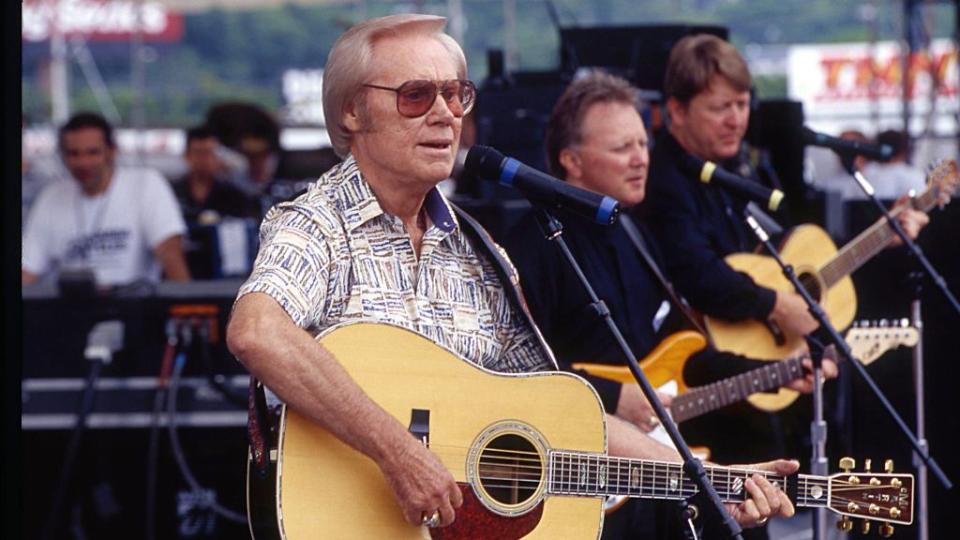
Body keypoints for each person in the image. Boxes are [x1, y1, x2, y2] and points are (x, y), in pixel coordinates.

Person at [226, 14, 796, 535]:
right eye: (416, 96)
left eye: (456, 95)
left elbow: (558, 416)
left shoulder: (479, 251)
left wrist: (705, 476)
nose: (445, 113)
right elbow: (258, 332)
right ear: (352, 111)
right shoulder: (317, 225)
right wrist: (396, 452)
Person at [506, 70, 836, 539]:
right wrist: (613, 395)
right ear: (570, 160)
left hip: (649, 480)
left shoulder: (636, 234)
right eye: (622, 148)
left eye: (643, 144)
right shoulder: (532, 247)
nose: (641, 159)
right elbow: (513, 371)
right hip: (575, 477)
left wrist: (780, 367)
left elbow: (684, 353)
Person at [642, 34, 928, 342]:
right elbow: (698, 274)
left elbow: (785, 252)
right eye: (720, 107)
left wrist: (880, 236)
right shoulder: (662, 181)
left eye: (742, 104)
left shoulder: (740, 170)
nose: (736, 120)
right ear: (677, 111)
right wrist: (777, 306)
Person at [22, 112, 190, 287]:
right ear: (64, 157)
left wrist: (186, 304)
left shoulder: (146, 184)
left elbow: (170, 254)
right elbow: (28, 269)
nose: (83, 162)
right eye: (74, 154)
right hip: (69, 309)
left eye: (93, 153)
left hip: (133, 308)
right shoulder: (51, 196)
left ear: (112, 151)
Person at [173, 124, 260, 225]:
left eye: (209, 153)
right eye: (198, 153)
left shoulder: (235, 196)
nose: (204, 160)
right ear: (187, 156)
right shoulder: (173, 193)